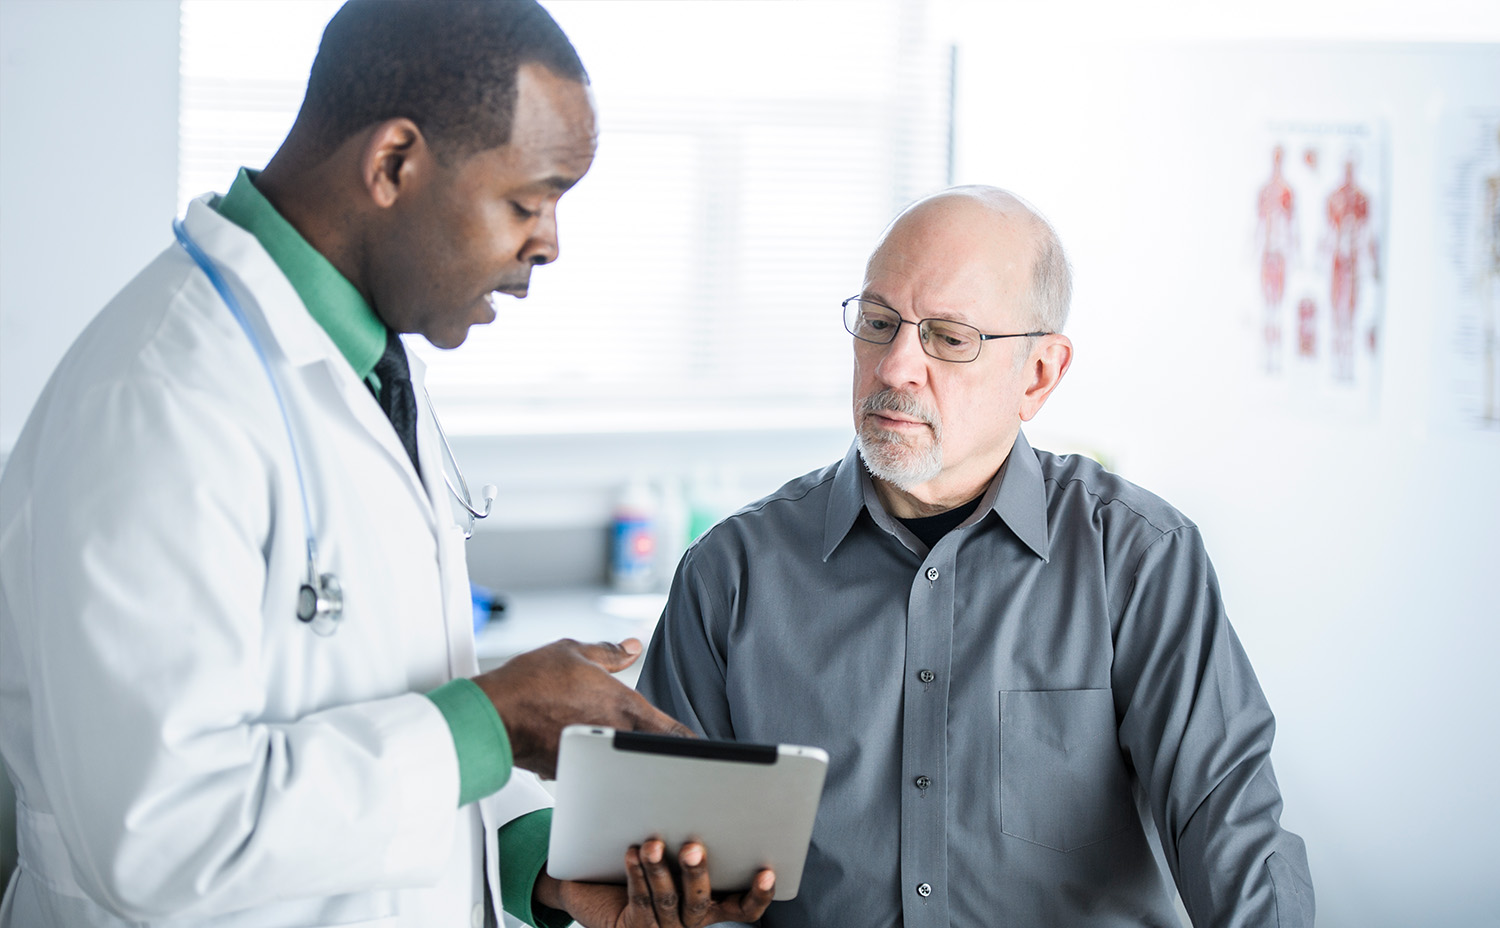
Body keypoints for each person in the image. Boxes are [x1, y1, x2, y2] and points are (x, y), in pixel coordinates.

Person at [0, 2, 772, 926]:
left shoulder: (361, 368)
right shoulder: (163, 399)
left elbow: (389, 703)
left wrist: (535, 859)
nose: (551, 243)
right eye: (528, 200)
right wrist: (497, 721)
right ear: (394, 163)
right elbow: (161, 833)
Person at [638, 185, 1316, 926]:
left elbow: (1231, 833)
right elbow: (661, 871)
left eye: (949, 338)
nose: (895, 368)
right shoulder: (730, 574)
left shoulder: (1139, 559)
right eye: (878, 322)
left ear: (1039, 375)